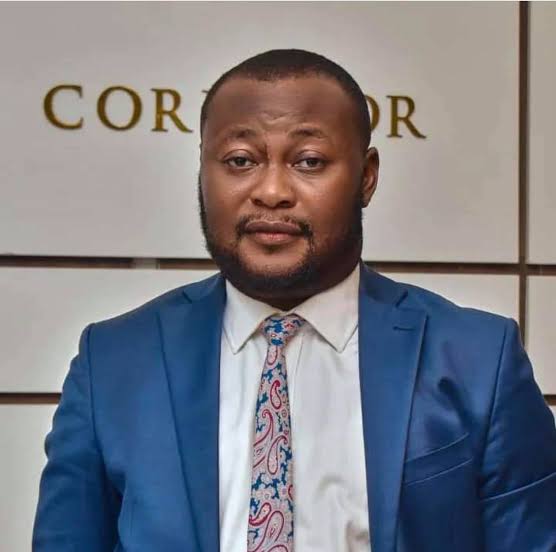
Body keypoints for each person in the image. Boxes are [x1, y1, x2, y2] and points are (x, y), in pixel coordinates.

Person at [33, 49, 556, 552]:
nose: (271, 191)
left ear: (366, 177)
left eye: (309, 161)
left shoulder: (478, 361)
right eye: (240, 160)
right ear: (202, 171)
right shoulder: (113, 362)